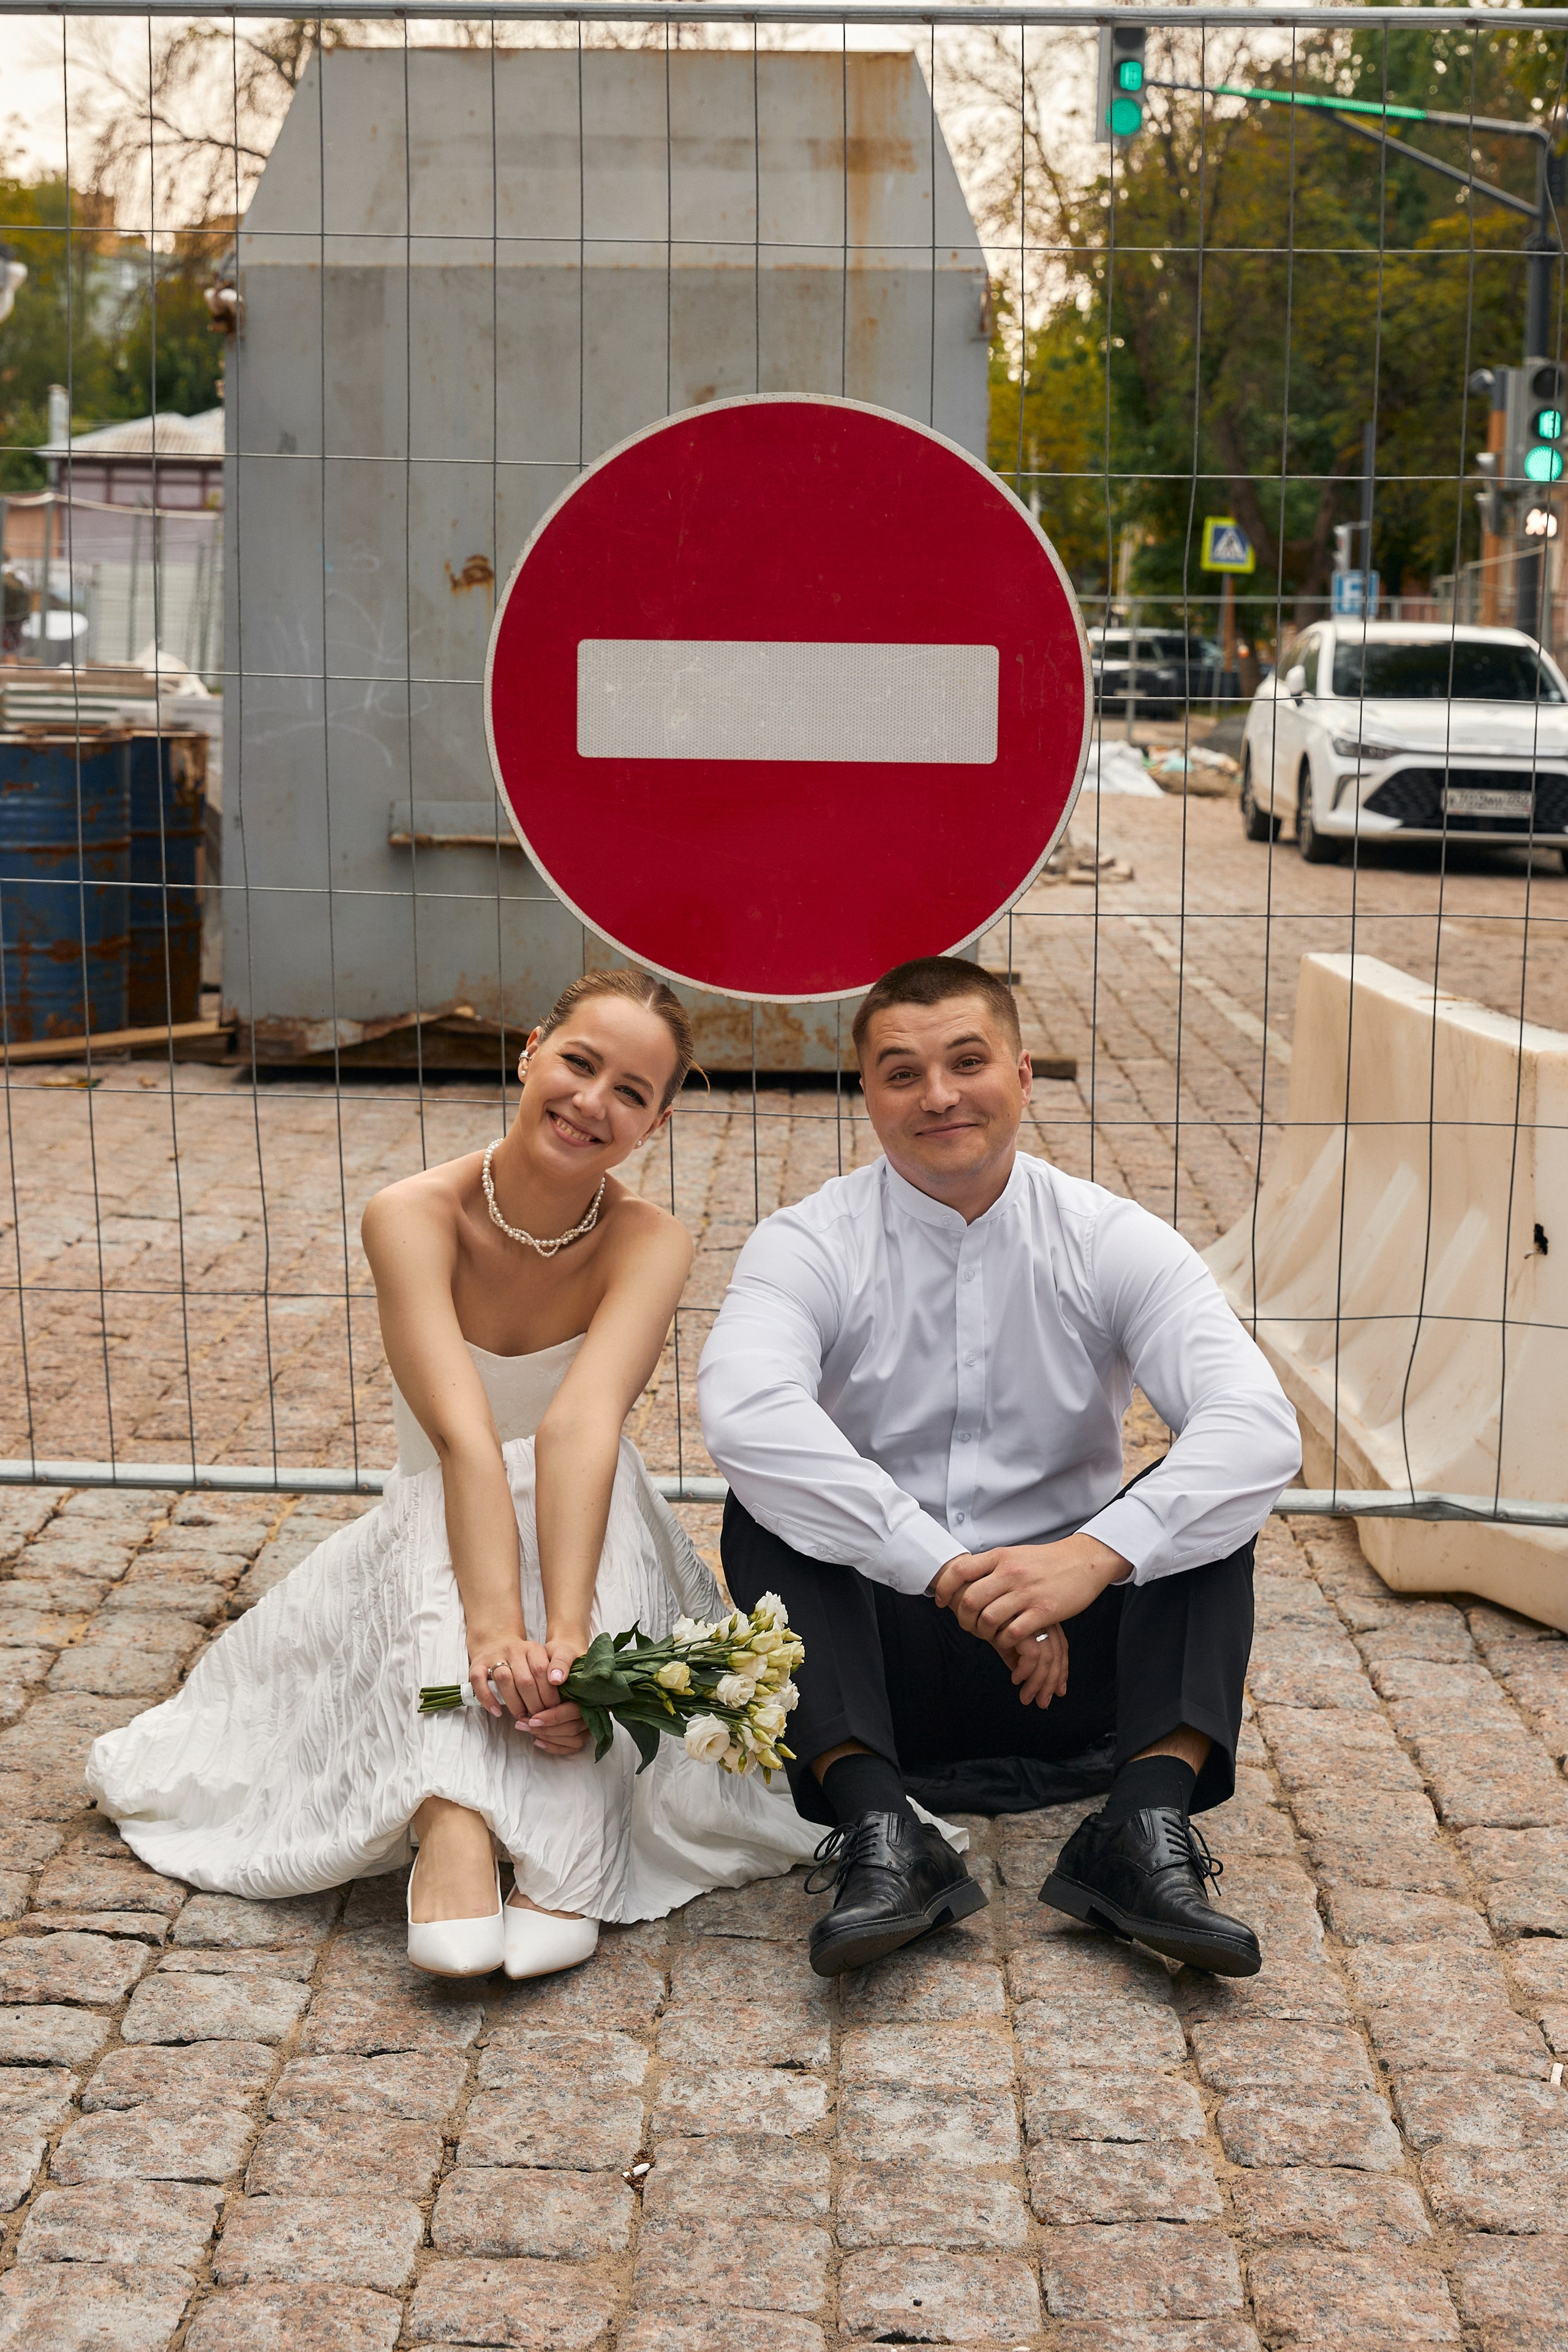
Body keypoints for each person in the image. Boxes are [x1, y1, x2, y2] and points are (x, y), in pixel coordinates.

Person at [88, 970, 817, 1980]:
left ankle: (550, 1854)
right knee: (458, 1509)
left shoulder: (653, 1241)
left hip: (590, 1517)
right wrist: (493, 1641)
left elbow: (578, 1430)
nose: (592, 1102)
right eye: (579, 1062)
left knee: (564, 1514)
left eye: (633, 1091)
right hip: (439, 1506)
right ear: (530, 1051)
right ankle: (453, 1824)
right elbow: (465, 1442)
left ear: (655, 1121)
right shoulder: (410, 1214)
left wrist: (567, 1646)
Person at [699, 955, 1302, 1981]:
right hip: (881, 1663)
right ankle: (885, 1835)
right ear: (868, 1096)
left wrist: (1090, 1558)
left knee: (1205, 1503)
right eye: (901, 1072)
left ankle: (1141, 1835)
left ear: (1022, 1076)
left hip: (1079, 1662)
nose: (938, 1095)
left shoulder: (1111, 1238)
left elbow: (1256, 1421)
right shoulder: (808, 1243)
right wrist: (948, 1572)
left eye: (967, 1061)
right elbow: (747, 1412)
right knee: (766, 1505)